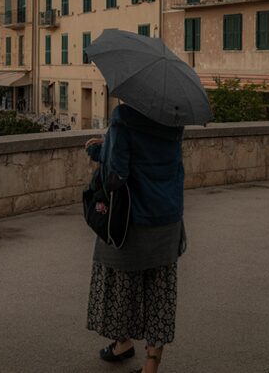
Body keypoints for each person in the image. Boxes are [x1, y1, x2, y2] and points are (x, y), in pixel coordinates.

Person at [86, 103, 186, 373]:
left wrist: (98, 151)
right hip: (168, 218)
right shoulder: (175, 119)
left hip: (132, 220)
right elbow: (159, 160)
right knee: (159, 294)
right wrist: (110, 144)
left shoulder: (124, 117)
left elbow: (116, 176)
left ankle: (122, 342)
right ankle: (151, 365)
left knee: (122, 287)